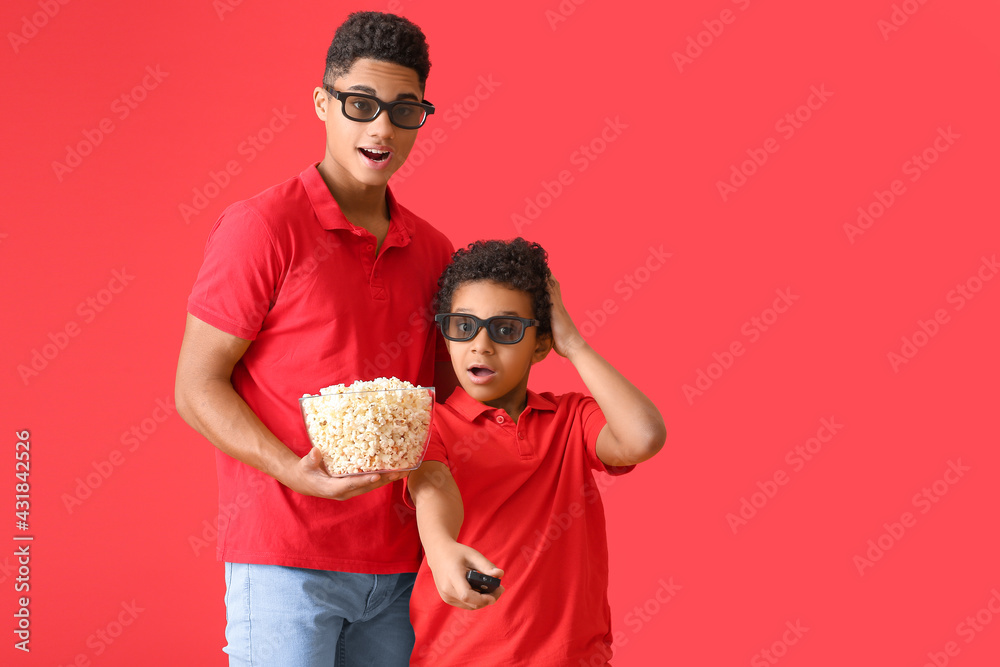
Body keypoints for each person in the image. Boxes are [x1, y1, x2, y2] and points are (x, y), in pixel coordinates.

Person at [174, 11, 455, 666]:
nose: (381, 128)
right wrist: (289, 470)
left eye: (404, 110)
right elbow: (195, 385)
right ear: (323, 103)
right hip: (285, 559)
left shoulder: (436, 250)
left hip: (400, 568)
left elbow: (447, 407)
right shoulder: (262, 228)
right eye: (361, 104)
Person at [405, 238, 667, 665]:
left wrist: (575, 344)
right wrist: (439, 546)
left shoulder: (571, 419)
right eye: (463, 326)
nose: (481, 345)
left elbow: (643, 438)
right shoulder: (430, 424)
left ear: (542, 345)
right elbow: (433, 485)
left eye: (505, 330)